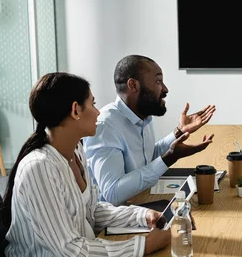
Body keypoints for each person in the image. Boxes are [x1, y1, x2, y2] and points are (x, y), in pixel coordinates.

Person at [0, 73, 171, 257]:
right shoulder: (39, 168)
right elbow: (71, 250)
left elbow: (92, 211)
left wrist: (142, 215)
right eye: (93, 103)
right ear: (75, 110)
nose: (98, 112)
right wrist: (142, 246)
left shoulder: (76, 152)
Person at [84, 55, 216, 206]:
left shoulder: (142, 116)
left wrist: (179, 132)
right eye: (158, 81)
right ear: (133, 85)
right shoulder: (106, 126)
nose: (165, 89)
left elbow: (146, 159)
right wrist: (170, 158)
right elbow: (112, 194)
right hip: (115, 219)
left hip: (139, 202)